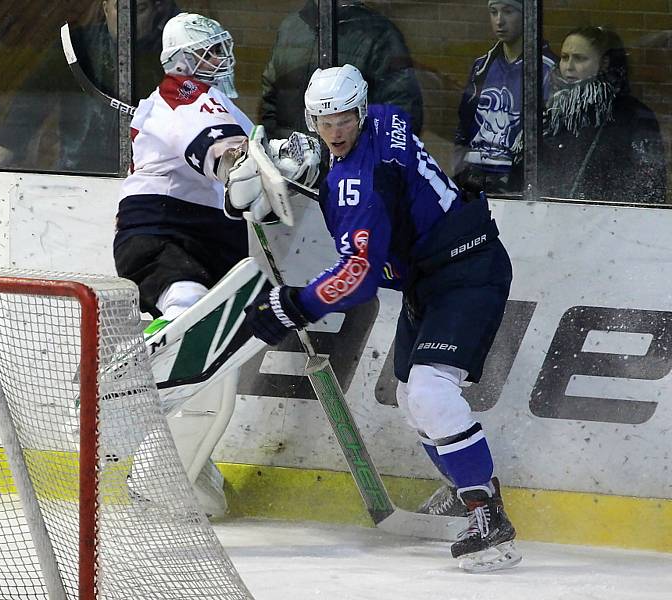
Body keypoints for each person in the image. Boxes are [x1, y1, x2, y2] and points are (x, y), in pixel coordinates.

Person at [239, 64, 520, 571]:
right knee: (413, 398)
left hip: (466, 272)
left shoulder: (359, 183)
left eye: (344, 119)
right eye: (324, 122)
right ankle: (466, 490)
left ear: (359, 112)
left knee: (433, 390)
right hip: (433, 275)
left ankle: (488, 516)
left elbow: (360, 275)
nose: (336, 132)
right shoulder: (389, 119)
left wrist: (293, 305)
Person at [114, 12, 319, 515]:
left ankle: (178, 466)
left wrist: (286, 162)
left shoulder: (221, 103)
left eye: (220, 49)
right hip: (163, 229)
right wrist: (243, 165)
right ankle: (126, 378)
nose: (219, 59)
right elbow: (223, 154)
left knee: (213, 363)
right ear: (180, 58)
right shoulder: (181, 91)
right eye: (207, 51)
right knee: (191, 311)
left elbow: (254, 171)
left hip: (215, 242)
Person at [0, 0, 179, 172]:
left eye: (141, 9)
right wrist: (8, 143)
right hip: (80, 166)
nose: (130, 19)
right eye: (120, 8)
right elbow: (37, 92)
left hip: (150, 170)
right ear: (106, 9)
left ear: (155, 11)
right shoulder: (77, 46)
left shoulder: (170, 56)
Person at [260, 0, 423, 142]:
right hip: (291, 166)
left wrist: (366, 165)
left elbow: (400, 116)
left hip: (354, 171)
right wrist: (280, 150)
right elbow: (270, 98)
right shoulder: (291, 28)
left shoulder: (380, 36)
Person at [541, 26, 667, 203]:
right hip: (547, 219)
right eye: (564, 57)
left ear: (604, 63)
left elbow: (649, 188)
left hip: (609, 221)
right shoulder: (548, 112)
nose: (569, 67)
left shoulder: (631, 115)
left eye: (580, 58)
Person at [454, 0, 555, 193]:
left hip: (516, 179)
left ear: (527, 15)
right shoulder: (481, 66)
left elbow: (550, 131)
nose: (499, 21)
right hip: (472, 175)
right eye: (493, 12)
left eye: (508, 11)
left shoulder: (548, 68)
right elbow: (464, 123)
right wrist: (459, 166)